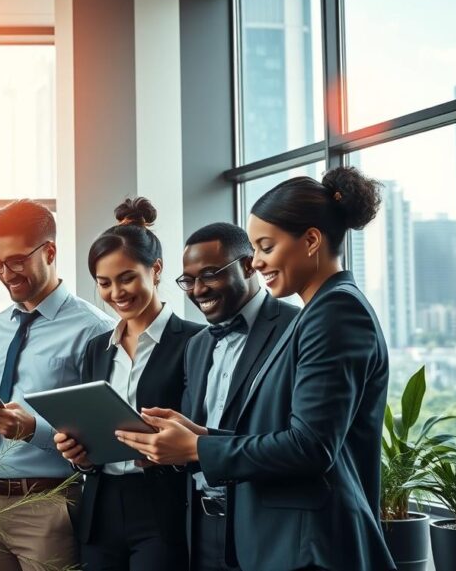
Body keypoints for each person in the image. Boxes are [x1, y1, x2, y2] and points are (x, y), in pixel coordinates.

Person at [115, 167, 396, 571]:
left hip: (309, 545)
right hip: (283, 540)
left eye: (266, 247)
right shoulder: (318, 311)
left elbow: (311, 447)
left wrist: (196, 448)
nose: (258, 262)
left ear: (311, 240)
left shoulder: (336, 310)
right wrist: (202, 434)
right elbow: (291, 434)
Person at [52, 198, 203, 570]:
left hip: (163, 507)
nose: (116, 293)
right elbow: (91, 428)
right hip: (101, 507)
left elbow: (205, 432)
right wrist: (80, 456)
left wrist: (163, 454)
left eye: (127, 278)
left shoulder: (196, 342)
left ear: (156, 270)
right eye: (104, 283)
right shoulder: (96, 349)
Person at [0, 199, 115, 571]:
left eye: (15, 260)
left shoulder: (94, 330)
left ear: (49, 252)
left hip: (48, 504)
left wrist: (31, 430)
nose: (5, 273)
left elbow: (103, 438)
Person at [175, 222, 298, 571]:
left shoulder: (296, 329)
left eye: (210, 274)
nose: (198, 289)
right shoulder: (196, 346)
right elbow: (198, 434)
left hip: (264, 525)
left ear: (248, 265)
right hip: (199, 525)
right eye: (188, 279)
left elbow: (296, 441)